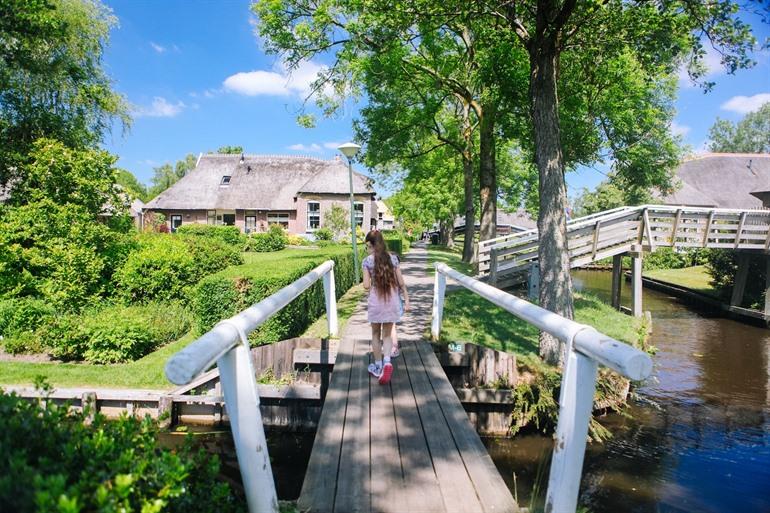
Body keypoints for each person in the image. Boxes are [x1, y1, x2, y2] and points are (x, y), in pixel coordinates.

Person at [362, 230, 410, 384]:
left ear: (370, 244)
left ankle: (377, 366)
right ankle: (387, 362)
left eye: (367, 246)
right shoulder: (394, 259)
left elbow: (366, 286)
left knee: (376, 334)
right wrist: (407, 299)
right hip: (392, 301)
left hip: (376, 302)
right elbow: (401, 282)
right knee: (387, 335)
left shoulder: (367, 261)